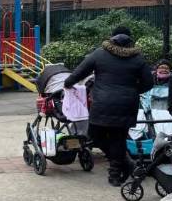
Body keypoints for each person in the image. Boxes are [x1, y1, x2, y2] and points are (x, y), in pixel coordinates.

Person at [64, 26, 153, 187]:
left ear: (111, 38)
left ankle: (122, 168)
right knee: (118, 139)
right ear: (129, 40)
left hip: (102, 104)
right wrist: (132, 91)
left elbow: (80, 72)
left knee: (94, 135)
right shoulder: (138, 58)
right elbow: (149, 83)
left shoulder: (99, 54)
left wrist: (67, 83)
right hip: (126, 105)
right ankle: (117, 174)